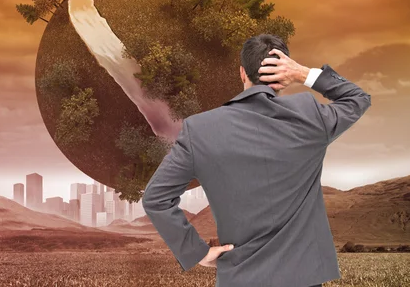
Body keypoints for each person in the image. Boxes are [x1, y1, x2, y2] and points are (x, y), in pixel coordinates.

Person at [141, 34, 372, 287]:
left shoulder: (200, 130)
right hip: (304, 278)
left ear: (242, 73)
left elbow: (156, 198)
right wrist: (303, 73)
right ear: (283, 77)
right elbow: (357, 99)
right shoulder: (311, 117)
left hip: (240, 278)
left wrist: (197, 251)